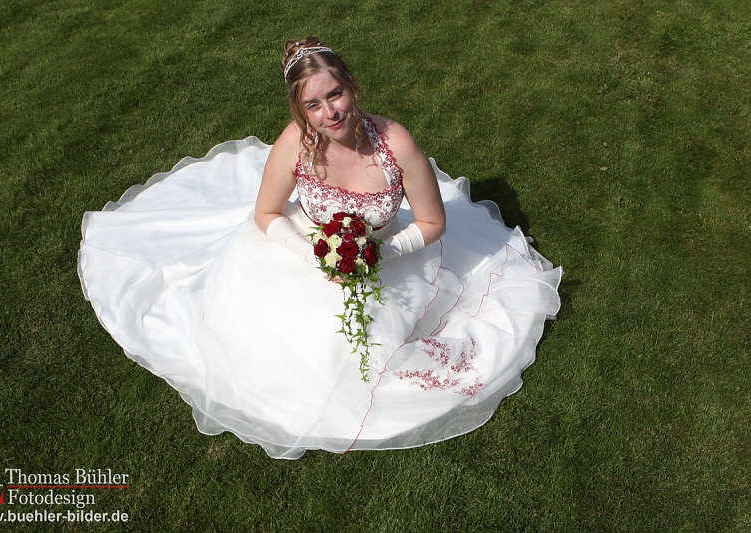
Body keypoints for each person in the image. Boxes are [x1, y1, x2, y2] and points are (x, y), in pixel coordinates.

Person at [78, 38, 562, 460]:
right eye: (314, 105)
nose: (330, 112)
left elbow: (434, 222)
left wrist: (381, 254)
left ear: (353, 87)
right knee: (299, 344)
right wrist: (312, 252)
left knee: (361, 352)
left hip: (386, 253)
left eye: (336, 94)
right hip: (300, 247)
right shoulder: (297, 143)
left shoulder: (396, 144)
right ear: (299, 111)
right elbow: (266, 214)